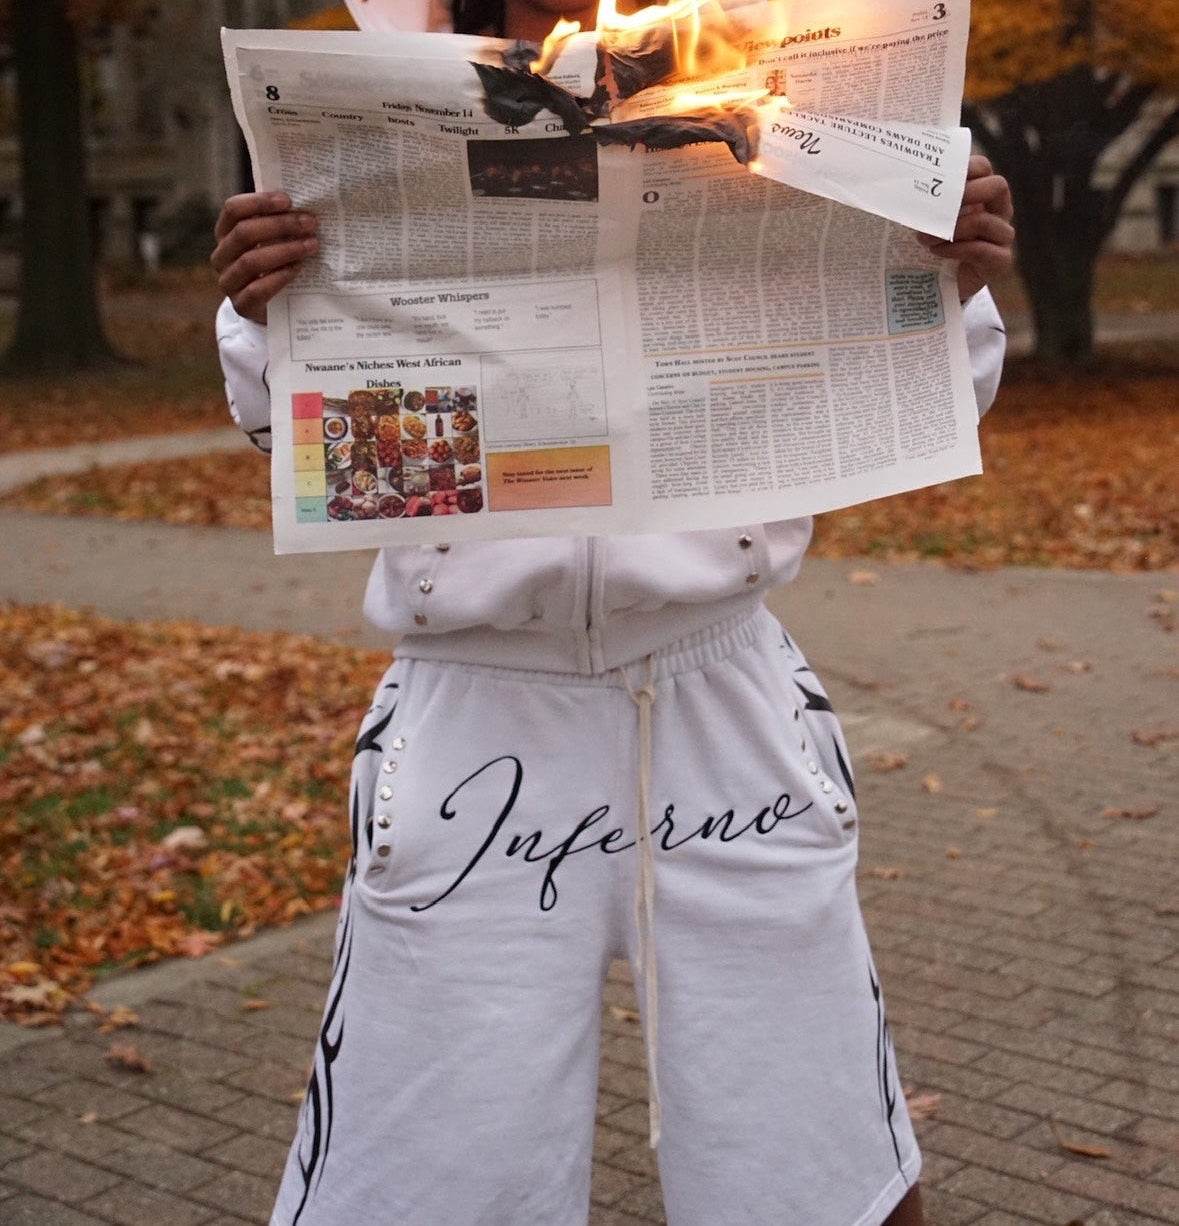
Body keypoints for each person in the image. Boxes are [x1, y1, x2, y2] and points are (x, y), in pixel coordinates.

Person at [212, 2, 1014, 1222]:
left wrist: (942, 273)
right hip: (476, 719)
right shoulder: (375, 88)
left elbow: (943, 386)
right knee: (428, 1169)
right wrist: (264, 306)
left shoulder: (751, 72)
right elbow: (288, 434)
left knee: (814, 1156)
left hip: (720, 694)